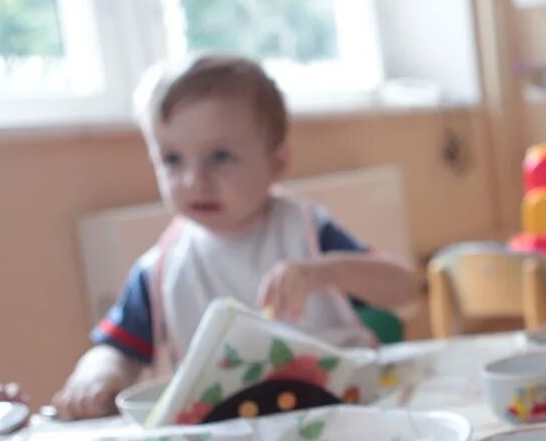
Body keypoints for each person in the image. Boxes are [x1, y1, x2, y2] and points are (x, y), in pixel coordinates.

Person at [51, 55, 420, 420]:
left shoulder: (306, 232)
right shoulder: (160, 269)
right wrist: (96, 376)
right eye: (172, 160)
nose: (195, 181)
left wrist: (325, 273)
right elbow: (118, 349)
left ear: (277, 162)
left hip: (339, 418)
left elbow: (405, 287)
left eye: (221, 156)